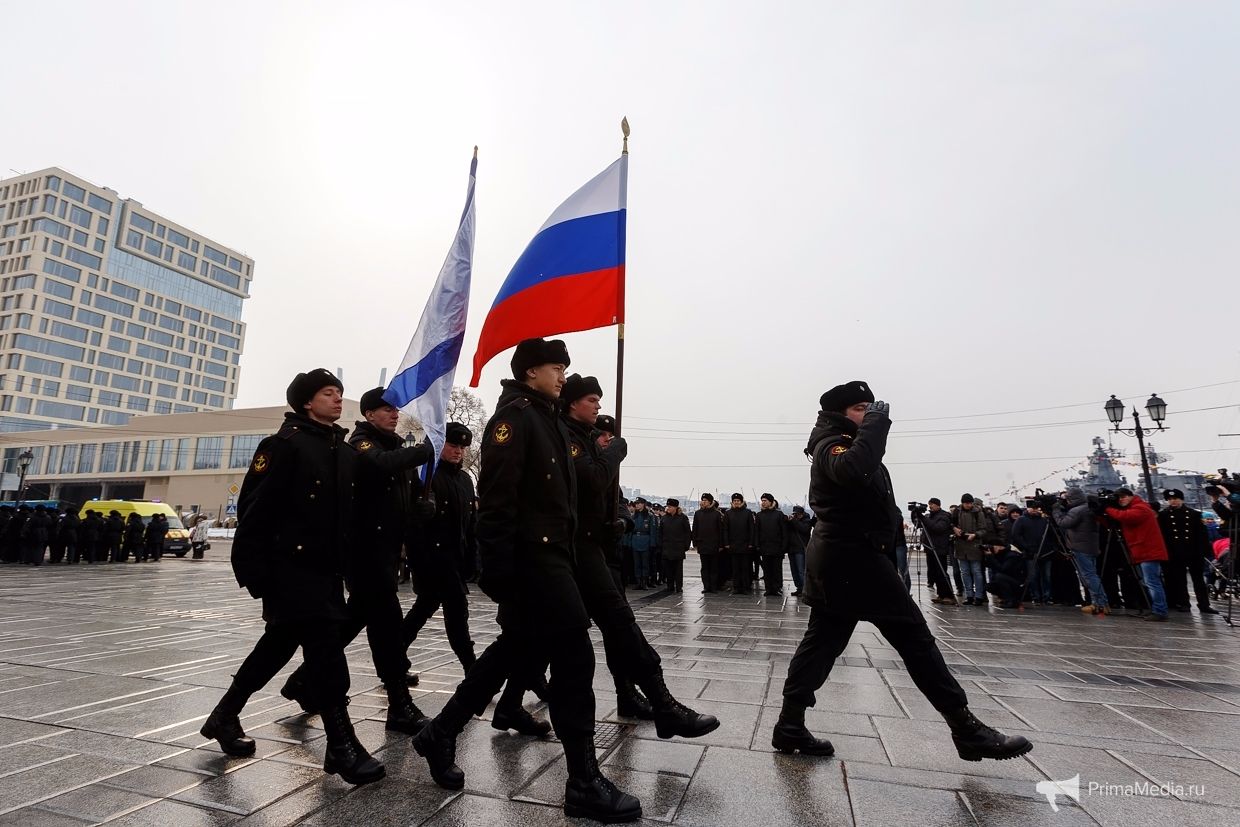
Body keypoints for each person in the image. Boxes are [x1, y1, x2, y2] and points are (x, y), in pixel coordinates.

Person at [411, 339, 641, 822]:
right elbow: (497, 504)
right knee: (575, 657)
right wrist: (498, 573)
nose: (563, 376)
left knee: (511, 651)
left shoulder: (546, 418)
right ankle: (583, 782)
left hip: (555, 559)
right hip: (532, 563)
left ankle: (440, 732)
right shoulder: (513, 420)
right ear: (531, 371)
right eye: (556, 368)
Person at [773, 380, 1031, 762]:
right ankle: (966, 729)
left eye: (871, 408)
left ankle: (790, 724)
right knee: (915, 639)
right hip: (854, 560)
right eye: (861, 409)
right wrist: (877, 425)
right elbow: (853, 470)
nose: (870, 414)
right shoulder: (831, 445)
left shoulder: (850, 443)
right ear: (839, 414)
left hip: (846, 559)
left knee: (821, 644)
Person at [202, 368, 384, 786]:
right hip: (290, 571)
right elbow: (254, 509)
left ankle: (224, 716)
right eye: (328, 393)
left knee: (277, 646)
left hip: (325, 572)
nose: (337, 399)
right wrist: (254, 574)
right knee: (327, 653)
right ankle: (341, 746)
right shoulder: (283, 445)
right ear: (306, 402)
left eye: (339, 392)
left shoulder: (341, 450)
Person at [559, 372, 717, 736]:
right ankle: (660, 704)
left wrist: (621, 521)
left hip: (598, 551)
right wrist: (615, 452)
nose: (598, 406)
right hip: (576, 551)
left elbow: (612, 499)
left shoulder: (583, 442)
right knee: (544, 642)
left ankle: (640, 697)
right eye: (591, 400)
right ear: (572, 403)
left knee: (617, 628)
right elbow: (591, 482)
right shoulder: (570, 440)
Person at [282, 385, 435, 734]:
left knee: (352, 622)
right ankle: (399, 705)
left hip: (386, 554)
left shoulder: (395, 448)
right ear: (369, 414)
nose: (395, 414)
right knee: (387, 629)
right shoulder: (361, 443)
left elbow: (399, 502)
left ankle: (302, 681)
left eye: (396, 409)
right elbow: (378, 465)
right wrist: (425, 450)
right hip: (364, 554)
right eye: (387, 409)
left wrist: (421, 510)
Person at [402, 422, 479, 673]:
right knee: (456, 617)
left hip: (455, 560)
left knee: (423, 611)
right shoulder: (426, 475)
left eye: (462, 447)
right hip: (433, 560)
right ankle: (472, 671)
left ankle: (393, 659)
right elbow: (414, 524)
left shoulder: (465, 480)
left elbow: (470, 524)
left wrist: (472, 558)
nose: (458, 451)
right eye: (453, 445)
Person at [1103, 488, 1169, 621]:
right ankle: (1156, 609)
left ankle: (1160, 611)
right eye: (1119, 498)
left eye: (1123, 497)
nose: (1121, 500)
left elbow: (1125, 517)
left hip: (1148, 551)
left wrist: (1107, 508)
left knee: (1152, 582)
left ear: (1131, 496)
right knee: (1148, 582)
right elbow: (1117, 520)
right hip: (1142, 551)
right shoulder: (1134, 508)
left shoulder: (1141, 508)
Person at [1157, 489, 1217, 615]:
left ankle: (1204, 604)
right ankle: (1184, 603)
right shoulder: (1163, 515)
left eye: (1175, 499)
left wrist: (1204, 551)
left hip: (1193, 552)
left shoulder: (1194, 514)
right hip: (1175, 553)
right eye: (1170, 499)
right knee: (1180, 580)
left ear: (1181, 499)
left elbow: (1202, 534)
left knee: (1198, 580)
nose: (1173, 501)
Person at [1052, 489, 1107, 614]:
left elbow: (1063, 523)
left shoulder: (1077, 510)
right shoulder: (1088, 508)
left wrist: (1055, 510)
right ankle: (1100, 602)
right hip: (1091, 546)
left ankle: (1100, 604)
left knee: (1089, 576)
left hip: (1080, 547)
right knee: (1092, 575)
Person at [1010, 503, 1053, 605]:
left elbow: (1051, 535)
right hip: (1030, 553)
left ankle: (1047, 597)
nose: (1034, 510)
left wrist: (1050, 547)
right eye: (1032, 508)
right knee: (1033, 576)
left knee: (1047, 576)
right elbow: (1016, 535)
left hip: (1045, 552)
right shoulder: (1021, 520)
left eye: (1036, 508)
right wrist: (1026, 547)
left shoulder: (1044, 520)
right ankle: (1036, 597)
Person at [951, 494, 990, 606]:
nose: (969, 505)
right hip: (961, 545)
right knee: (965, 572)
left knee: (976, 571)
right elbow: (951, 524)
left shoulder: (978, 512)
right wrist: (954, 529)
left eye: (970, 503)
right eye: (967, 503)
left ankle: (979, 596)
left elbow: (984, 529)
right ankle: (969, 595)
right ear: (962, 503)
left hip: (974, 545)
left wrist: (975, 535)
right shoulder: (957, 512)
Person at [920, 499, 958, 605]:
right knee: (934, 573)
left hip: (940, 548)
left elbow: (937, 528)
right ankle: (941, 595)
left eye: (932, 504)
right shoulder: (930, 516)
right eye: (929, 505)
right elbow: (921, 525)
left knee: (941, 572)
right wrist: (917, 516)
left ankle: (949, 596)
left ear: (938, 505)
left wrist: (923, 517)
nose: (930, 506)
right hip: (930, 548)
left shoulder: (944, 516)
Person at [723, 494, 756, 595]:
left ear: (741, 502)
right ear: (732, 502)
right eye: (735, 501)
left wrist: (751, 543)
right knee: (735, 568)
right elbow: (725, 529)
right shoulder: (728, 513)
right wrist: (726, 543)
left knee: (745, 567)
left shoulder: (748, 513)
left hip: (745, 545)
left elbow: (752, 529)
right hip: (733, 545)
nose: (736, 502)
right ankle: (736, 587)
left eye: (738, 500)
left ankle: (745, 587)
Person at [692, 494, 726, 593]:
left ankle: (714, 587)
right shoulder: (698, 513)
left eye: (706, 500)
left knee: (714, 567)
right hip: (702, 544)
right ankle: (706, 586)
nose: (703, 502)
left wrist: (721, 544)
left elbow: (720, 530)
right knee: (704, 567)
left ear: (710, 502)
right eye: (702, 500)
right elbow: (695, 529)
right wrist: (695, 543)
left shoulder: (716, 514)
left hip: (714, 544)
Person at [754, 494, 786, 596]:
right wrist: (757, 545)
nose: (763, 502)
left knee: (777, 569)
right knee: (767, 570)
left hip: (777, 547)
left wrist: (784, 546)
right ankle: (768, 588)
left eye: (765, 500)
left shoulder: (779, 514)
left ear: (771, 502)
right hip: (764, 547)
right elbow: (757, 531)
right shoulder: (759, 515)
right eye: (762, 500)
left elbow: (784, 531)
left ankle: (777, 588)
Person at [660, 499, 690, 593]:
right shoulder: (664, 518)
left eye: (670, 507)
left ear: (675, 507)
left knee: (678, 569)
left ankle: (679, 587)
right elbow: (660, 533)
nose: (668, 508)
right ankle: (670, 586)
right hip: (667, 547)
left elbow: (688, 533)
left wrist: (686, 546)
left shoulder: (683, 518)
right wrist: (661, 545)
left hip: (678, 547)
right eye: (667, 506)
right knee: (668, 569)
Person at [630, 498, 658, 590]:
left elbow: (653, 531)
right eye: (636, 504)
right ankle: (638, 582)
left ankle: (645, 582)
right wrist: (630, 542)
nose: (637, 505)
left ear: (643, 504)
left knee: (645, 563)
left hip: (645, 540)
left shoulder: (650, 516)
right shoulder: (633, 516)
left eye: (639, 503)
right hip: (635, 540)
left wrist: (652, 543)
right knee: (637, 563)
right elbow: (630, 531)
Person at [785, 505, 812, 597]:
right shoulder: (793, 521)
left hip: (800, 549)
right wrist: (787, 521)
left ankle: (805, 589)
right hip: (791, 548)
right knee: (794, 571)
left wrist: (794, 521)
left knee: (801, 570)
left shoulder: (806, 521)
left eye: (798, 514)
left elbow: (804, 529)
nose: (797, 516)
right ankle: (799, 588)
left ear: (802, 514)